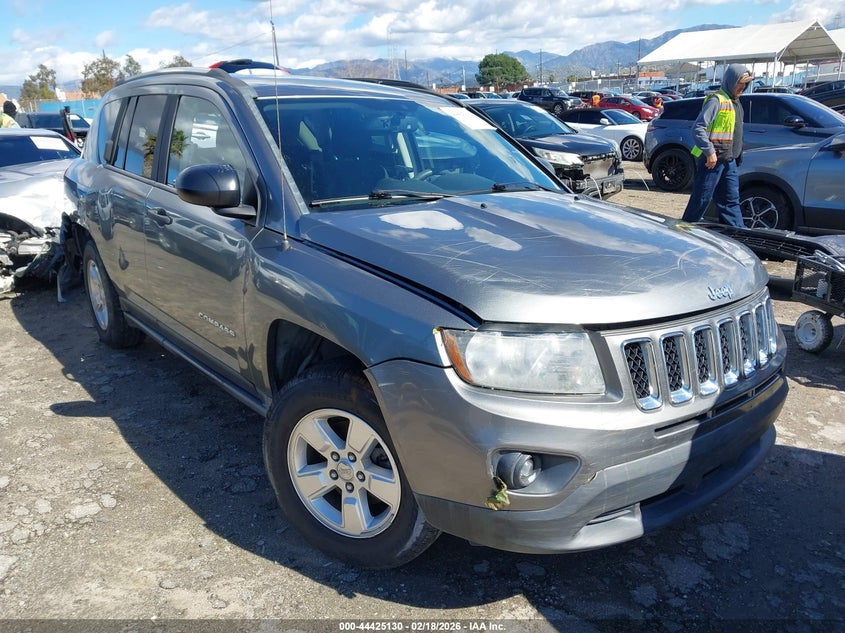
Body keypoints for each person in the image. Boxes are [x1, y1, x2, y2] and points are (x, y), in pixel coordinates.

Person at [680, 64, 753, 227]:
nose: (742, 88)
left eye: (745, 84)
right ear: (731, 81)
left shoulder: (736, 103)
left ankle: (738, 236)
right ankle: (684, 232)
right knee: (701, 199)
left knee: (731, 201)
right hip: (713, 162)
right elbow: (698, 128)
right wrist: (709, 152)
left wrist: (737, 155)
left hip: (729, 160)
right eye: (740, 84)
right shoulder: (717, 100)